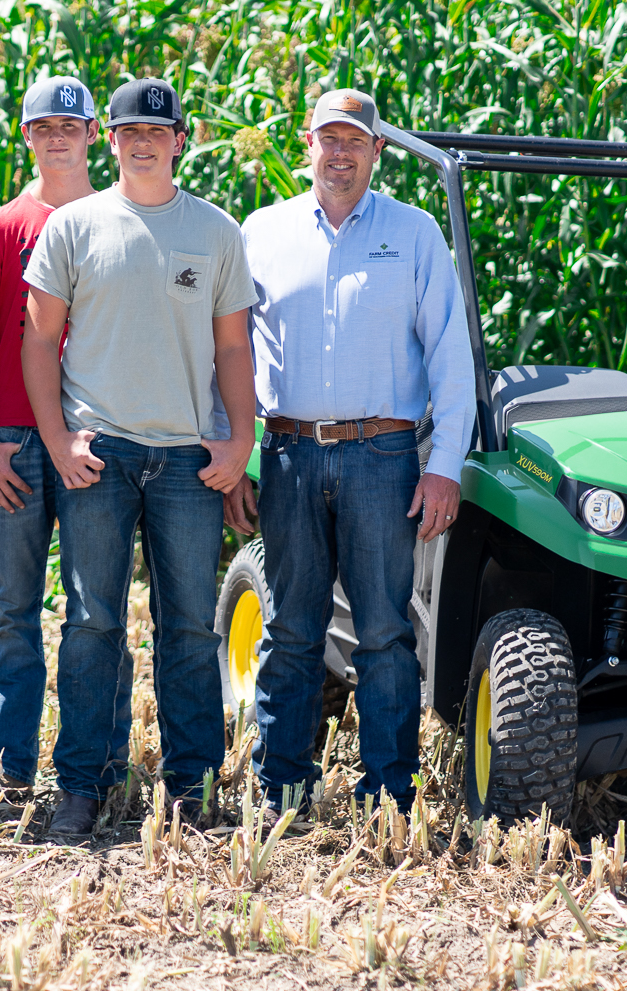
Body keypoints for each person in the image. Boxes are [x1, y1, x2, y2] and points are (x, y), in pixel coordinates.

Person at [23, 77, 259, 838]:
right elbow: (36, 341)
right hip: (101, 455)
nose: (144, 142)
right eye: (130, 132)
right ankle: (81, 787)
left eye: (158, 132)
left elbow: (232, 347)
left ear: (180, 140)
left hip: (187, 460)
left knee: (189, 626)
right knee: (92, 622)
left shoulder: (216, 231)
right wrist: (59, 440)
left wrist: (239, 439)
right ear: (111, 139)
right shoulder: (75, 225)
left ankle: (190, 791)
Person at [234, 87, 473, 811]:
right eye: (327, 138)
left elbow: (451, 358)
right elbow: (233, 355)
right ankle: (282, 785)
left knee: (384, 632)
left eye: (355, 140)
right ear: (306, 142)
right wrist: (237, 458)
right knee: (292, 627)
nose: (339, 153)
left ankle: (389, 791)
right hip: (289, 455)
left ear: (377, 150)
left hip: (383, 458)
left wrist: (444, 466)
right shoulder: (263, 232)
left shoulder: (415, 233)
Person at [0, 77, 111, 797]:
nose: (56, 137)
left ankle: (95, 763)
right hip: (13, 439)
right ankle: (7, 766)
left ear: (93, 134)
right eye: (43, 126)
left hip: (96, 437)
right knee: (15, 609)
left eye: (69, 126)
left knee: (94, 610)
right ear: (26, 135)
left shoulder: (121, 221)